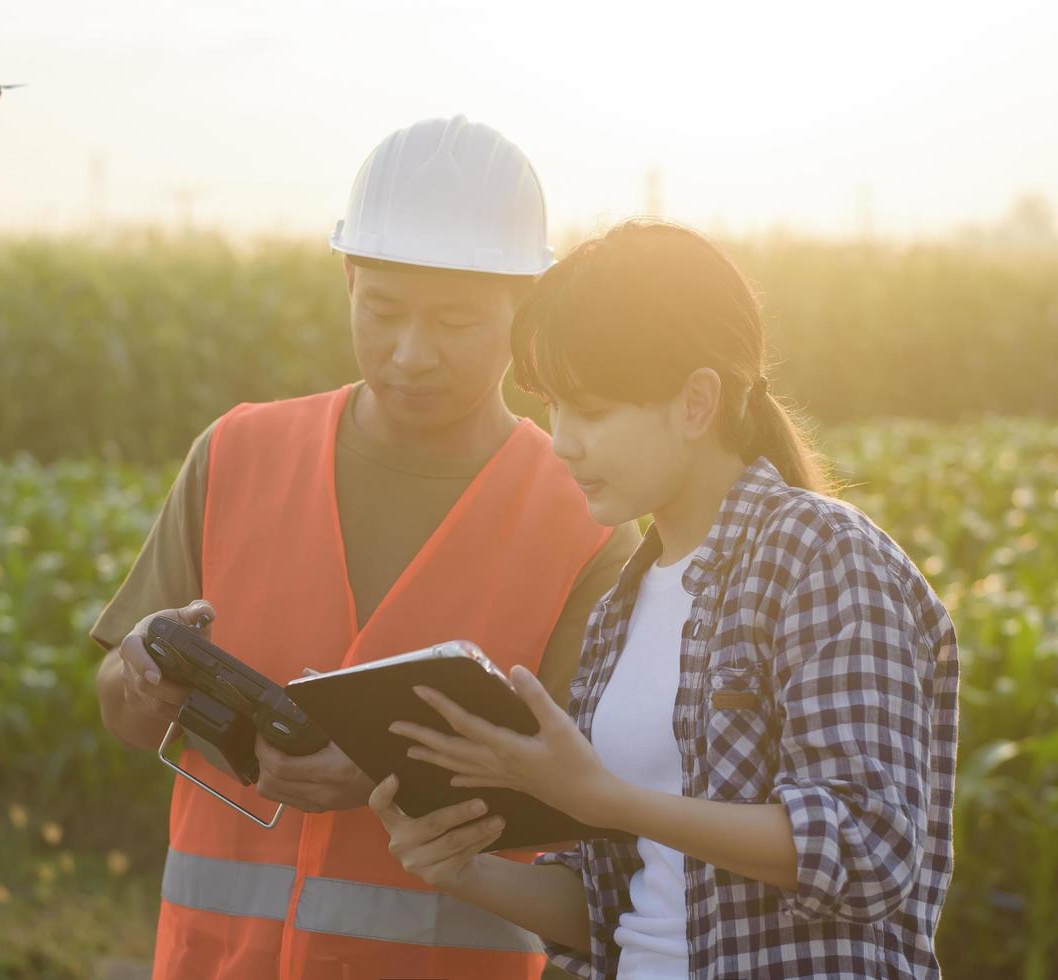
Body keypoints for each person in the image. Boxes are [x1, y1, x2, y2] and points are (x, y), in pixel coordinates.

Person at [90, 116, 639, 980]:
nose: (412, 353)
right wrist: (142, 674)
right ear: (348, 279)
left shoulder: (590, 522)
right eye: (381, 310)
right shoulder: (235, 454)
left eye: (455, 322)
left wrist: (389, 772)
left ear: (523, 308)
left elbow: (596, 804)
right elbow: (122, 712)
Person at [371, 220, 959, 979]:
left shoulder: (822, 556)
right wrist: (463, 871)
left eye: (590, 410)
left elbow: (867, 845)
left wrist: (606, 798)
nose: (561, 442)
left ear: (695, 402)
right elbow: (620, 901)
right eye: (552, 408)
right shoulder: (625, 603)